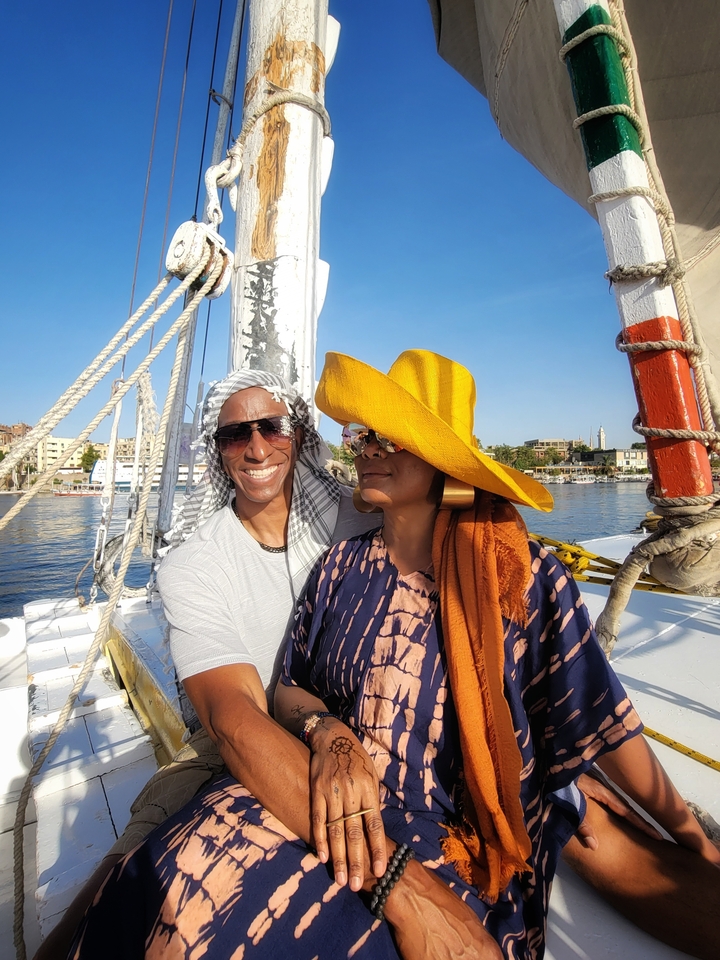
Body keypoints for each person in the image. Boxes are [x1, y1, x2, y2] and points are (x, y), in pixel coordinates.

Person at [67, 350, 720, 960]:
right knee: (152, 890)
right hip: (298, 776)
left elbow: (605, 726)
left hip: (425, 835)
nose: (369, 451)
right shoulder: (340, 565)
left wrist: (688, 835)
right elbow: (289, 689)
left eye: (391, 438)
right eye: (363, 436)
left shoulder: (519, 577)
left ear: (441, 460)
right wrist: (328, 734)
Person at [34, 368, 380, 960]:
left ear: (297, 433)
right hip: (243, 735)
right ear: (217, 453)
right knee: (137, 863)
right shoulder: (195, 564)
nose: (255, 447)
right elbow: (234, 717)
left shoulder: (367, 521)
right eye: (233, 435)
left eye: (272, 427)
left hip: (369, 710)